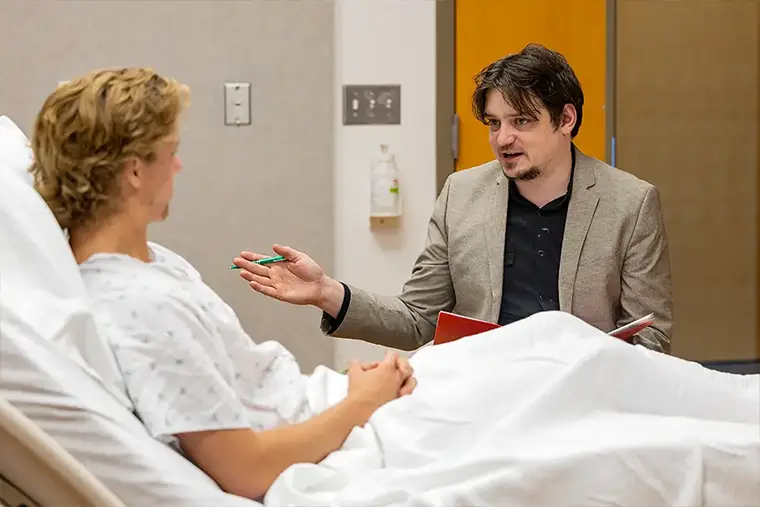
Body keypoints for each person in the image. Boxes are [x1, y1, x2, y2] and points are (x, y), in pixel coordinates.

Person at [28, 67, 417, 501]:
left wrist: (348, 388)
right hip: (329, 432)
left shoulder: (151, 265)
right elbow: (247, 469)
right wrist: (362, 402)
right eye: (170, 151)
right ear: (135, 171)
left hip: (319, 402)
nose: (179, 164)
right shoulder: (137, 306)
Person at [233, 43, 674, 353]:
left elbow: (651, 338)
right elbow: (416, 320)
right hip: (481, 391)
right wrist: (327, 292)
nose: (503, 139)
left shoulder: (630, 203)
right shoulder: (461, 195)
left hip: (582, 398)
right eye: (493, 123)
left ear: (566, 119)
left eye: (521, 121)